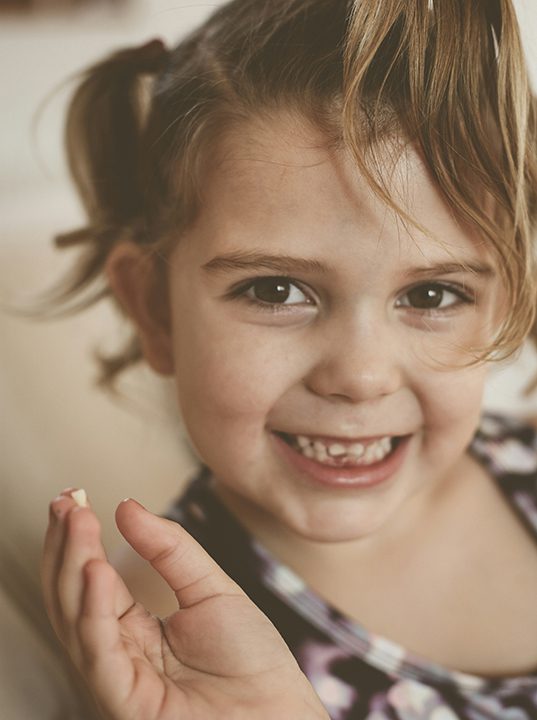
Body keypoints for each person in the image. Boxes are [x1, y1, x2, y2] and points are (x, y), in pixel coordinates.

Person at [41, 0, 537, 718]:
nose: (361, 375)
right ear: (153, 309)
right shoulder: (169, 629)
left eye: (431, 293)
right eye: (275, 289)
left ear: (503, 298)